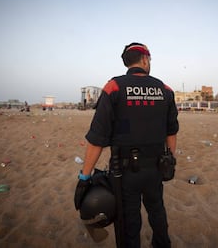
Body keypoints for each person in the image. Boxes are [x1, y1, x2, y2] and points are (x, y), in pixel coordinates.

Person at [74, 42, 179, 248]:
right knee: (157, 210)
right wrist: (170, 160)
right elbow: (171, 131)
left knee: (129, 223)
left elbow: (97, 139)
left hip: (124, 172)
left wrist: (84, 178)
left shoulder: (114, 87)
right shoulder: (165, 89)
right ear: (145, 59)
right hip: (156, 167)